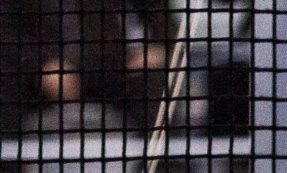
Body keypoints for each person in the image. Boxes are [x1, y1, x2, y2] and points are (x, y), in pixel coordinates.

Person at [0, 0, 174, 137]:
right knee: (6, 84)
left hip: (107, 65)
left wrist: (160, 45)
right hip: (37, 72)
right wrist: (43, 63)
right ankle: (9, 170)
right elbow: (6, 29)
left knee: (152, 80)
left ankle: (162, 167)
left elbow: (158, 9)